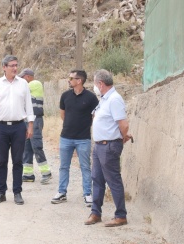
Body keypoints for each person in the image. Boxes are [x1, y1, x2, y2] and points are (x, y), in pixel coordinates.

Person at [0, 55, 35, 205]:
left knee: (18, 161)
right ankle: (1, 192)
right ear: (4, 67)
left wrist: (30, 125)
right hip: (0, 127)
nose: (15, 68)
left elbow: (29, 105)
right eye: (11, 65)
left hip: (19, 126)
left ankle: (17, 192)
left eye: (16, 65)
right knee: (2, 161)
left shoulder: (23, 83)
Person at [85, 69, 132, 227]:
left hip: (109, 146)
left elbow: (123, 124)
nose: (94, 87)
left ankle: (120, 215)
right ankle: (95, 213)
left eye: (94, 83)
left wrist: (122, 137)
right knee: (97, 180)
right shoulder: (104, 99)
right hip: (99, 146)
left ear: (100, 83)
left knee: (113, 180)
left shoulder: (114, 99)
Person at [52, 70, 98, 206]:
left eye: (71, 78)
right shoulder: (65, 96)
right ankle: (61, 192)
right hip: (66, 137)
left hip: (83, 138)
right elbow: (63, 114)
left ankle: (88, 194)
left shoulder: (91, 97)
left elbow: (95, 116)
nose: (69, 80)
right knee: (64, 166)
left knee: (85, 166)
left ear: (79, 81)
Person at [18, 68, 52, 184]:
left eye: (22, 78)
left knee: (36, 146)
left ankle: (46, 172)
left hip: (36, 120)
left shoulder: (35, 84)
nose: (21, 81)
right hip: (27, 120)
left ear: (27, 76)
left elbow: (19, 91)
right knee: (26, 147)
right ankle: (28, 174)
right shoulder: (28, 87)